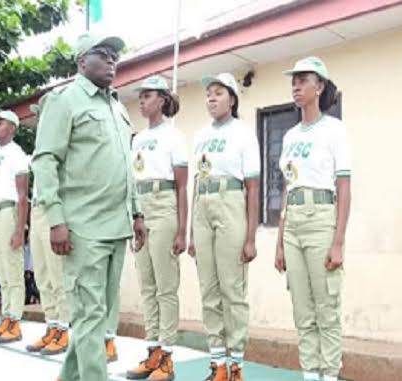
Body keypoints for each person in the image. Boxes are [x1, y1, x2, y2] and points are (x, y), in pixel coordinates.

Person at [32, 32, 147, 381]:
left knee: (99, 318)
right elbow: (45, 160)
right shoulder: (64, 101)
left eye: (115, 54)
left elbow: (124, 166)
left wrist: (137, 212)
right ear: (83, 61)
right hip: (82, 228)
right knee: (89, 316)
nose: (113, 59)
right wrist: (55, 219)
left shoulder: (116, 107)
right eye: (103, 53)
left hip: (116, 226)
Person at [275, 57, 352, 381]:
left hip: (322, 217)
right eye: (293, 80)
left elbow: (344, 188)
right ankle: (310, 375)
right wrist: (279, 242)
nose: (296, 86)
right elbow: (286, 189)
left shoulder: (334, 130)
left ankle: (330, 375)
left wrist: (338, 242)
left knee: (326, 310)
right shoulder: (290, 135)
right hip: (293, 221)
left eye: (303, 80)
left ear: (319, 86)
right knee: (302, 310)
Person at [188, 73, 260, 381]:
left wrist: (251, 237)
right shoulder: (200, 135)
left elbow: (254, 188)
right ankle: (217, 363)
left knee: (233, 289)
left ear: (232, 98)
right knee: (209, 289)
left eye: (218, 93)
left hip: (231, 202)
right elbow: (195, 181)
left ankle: (237, 366)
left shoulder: (243, 133)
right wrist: (191, 230)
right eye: (208, 94)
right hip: (202, 205)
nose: (212, 98)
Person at [126, 75, 188, 381]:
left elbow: (181, 187)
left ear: (162, 99)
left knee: (166, 286)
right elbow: (133, 179)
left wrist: (182, 230)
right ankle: (151, 350)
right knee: (147, 284)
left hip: (164, 205)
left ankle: (167, 355)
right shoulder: (137, 139)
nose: (141, 100)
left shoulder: (173, 136)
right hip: (141, 208)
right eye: (140, 95)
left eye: (147, 95)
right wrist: (135, 216)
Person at [25, 104, 70, 356]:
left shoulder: (62, 139)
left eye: (45, 111)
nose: (40, 116)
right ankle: (52, 325)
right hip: (37, 208)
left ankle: (63, 328)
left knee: (57, 274)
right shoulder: (39, 143)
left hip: (55, 209)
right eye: (38, 113)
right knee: (41, 273)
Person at [0, 110, 29, 344]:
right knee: (0, 269)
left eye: (0, 123)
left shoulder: (17, 154)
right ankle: (6, 317)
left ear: (12, 128)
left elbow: (22, 195)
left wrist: (20, 229)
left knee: (12, 267)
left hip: (9, 212)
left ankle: (15, 321)